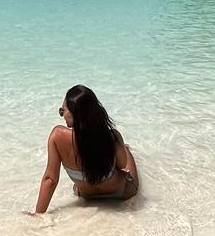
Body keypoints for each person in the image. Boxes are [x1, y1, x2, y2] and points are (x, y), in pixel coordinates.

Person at [30, 84, 139, 215]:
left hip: (86, 196)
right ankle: (125, 148)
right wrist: (119, 144)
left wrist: (38, 214)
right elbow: (122, 165)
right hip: (121, 193)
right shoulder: (111, 136)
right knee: (125, 151)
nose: (62, 115)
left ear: (74, 112)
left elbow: (50, 180)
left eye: (62, 111)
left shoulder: (57, 136)